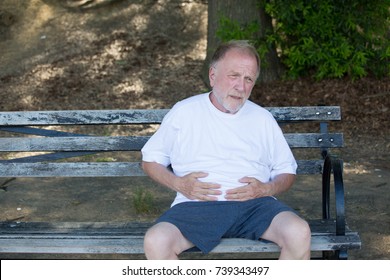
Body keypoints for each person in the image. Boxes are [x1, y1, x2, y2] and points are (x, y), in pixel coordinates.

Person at [141, 40, 311, 260]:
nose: (241, 87)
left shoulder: (262, 119)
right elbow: (150, 161)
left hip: (255, 206)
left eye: (248, 79)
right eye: (234, 76)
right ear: (212, 76)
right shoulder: (184, 112)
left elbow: (287, 171)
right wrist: (179, 184)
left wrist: (265, 189)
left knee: (299, 232)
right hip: (195, 206)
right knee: (156, 241)